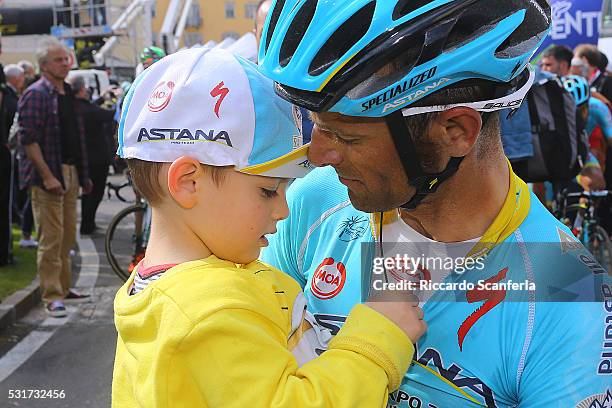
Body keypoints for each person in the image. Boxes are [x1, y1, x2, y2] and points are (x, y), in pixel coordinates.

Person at [259, 1, 612, 406]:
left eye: (347, 137)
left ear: (456, 130)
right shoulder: (313, 201)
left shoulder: (567, 295)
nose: (317, 155)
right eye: (317, 127)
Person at [111, 47, 426, 407]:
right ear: (188, 182)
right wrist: (377, 340)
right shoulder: (207, 312)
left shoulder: (174, 290)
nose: (283, 210)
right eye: (267, 190)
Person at [17, 37, 92, 317]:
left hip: (70, 170)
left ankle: (64, 286)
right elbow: (29, 139)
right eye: (59, 60)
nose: (66, 63)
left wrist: (83, 175)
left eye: (66, 59)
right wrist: (48, 176)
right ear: (45, 65)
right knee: (50, 237)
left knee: (67, 235)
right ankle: (52, 294)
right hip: (49, 173)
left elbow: (76, 135)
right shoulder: (36, 93)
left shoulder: (67, 92)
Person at [68, 75, 115, 235]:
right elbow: (109, 115)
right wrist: (120, 101)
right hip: (97, 158)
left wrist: (103, 98)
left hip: (82, 156)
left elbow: (93, 107)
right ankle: (87, 225)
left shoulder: (73, 106)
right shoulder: (88, 110)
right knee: (96, 192)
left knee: (87, 192)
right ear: (81, 90)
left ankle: (88, 223)